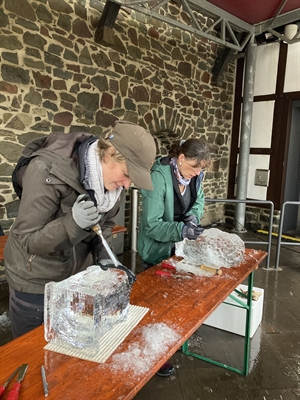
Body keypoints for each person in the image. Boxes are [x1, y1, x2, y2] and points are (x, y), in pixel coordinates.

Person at [4, 120, 156, 339]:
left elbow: (103, 226)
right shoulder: (47, 169)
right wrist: (72, 224)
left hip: (75, 280)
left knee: (68, 349)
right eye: (126, 173)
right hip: (34, 280)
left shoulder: (113, 185)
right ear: (109, 153)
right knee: (33, 355)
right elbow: (28, 240)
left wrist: (107, 259)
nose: (127, 184)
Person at [138, 138, 211, 377]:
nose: (196, 173)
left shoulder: (195, 176)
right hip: (157, 252)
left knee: (178, 300)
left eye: (200, 169)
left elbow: (199, 200)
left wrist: (192, 217)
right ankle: (155, 356)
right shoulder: (157, 177)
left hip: (181, 251)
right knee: (156, 307)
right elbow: (151, 225)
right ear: (180, 159)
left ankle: (171, 341)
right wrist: (181, 230)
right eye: (193, 167)